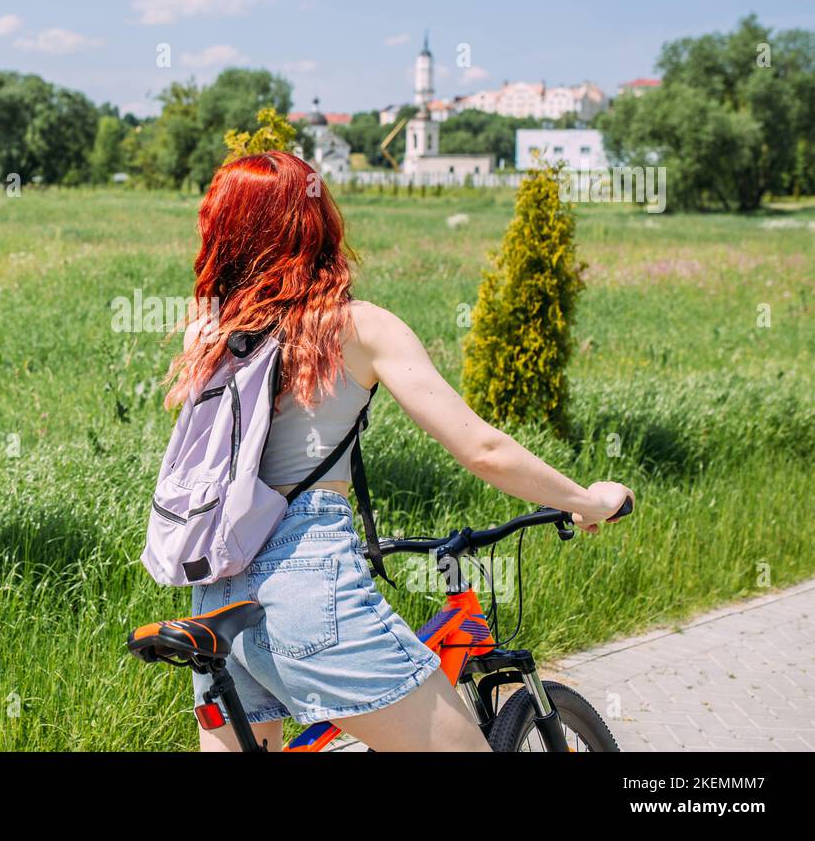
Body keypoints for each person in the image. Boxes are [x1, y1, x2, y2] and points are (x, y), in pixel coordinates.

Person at [164, 151, 633, 751]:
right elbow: (483, 448)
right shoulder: (358, 327)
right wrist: (585, 499)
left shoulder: (208, 334)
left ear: (221, 232)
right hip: (306, 582)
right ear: (317, 224)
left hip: (218, 587)